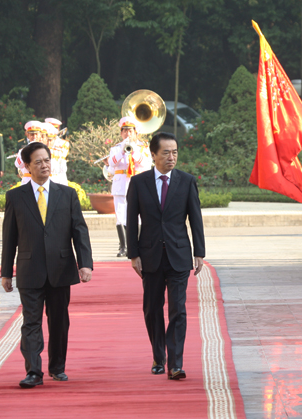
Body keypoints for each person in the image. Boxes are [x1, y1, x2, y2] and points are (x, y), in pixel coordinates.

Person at [1, 141, 93, 389]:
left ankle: (57, 367)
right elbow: (9, 238)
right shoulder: (15, 197)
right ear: (27, 166)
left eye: (47, 160)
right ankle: (33, 371)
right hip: (30, 269)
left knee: (59, 320)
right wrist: (5, 272)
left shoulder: (67, 194)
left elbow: (79, 231)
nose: (44, 165)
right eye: (38, 162)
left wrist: (85, 264)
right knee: (31, 321)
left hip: (61, 268)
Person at [126, 132, 205, 380]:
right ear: (153, 155)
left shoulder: (186, 181)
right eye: (166, 153)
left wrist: (199, 252)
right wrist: (133, 254)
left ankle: (175, 363)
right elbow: (131, 221)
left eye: (175, 153)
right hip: (149, 256)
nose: (171, 157)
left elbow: (195, 219)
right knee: (152, 309)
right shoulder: (139, 183)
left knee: (178, 310)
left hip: (179, 254)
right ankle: (158, 355)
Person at [108, 116, 152, 257]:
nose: (127, 134)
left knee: (138, 216)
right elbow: (112, 163)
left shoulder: (143, 147)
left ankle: (137, 246)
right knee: (120, 216)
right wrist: (122, 151)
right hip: (120, 185)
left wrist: (133, 151)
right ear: (121, 133)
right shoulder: (115, 148)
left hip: (137, 185)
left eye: (130, 131)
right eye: (125, 131)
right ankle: (123, 247)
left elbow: (145, 164)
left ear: (135, 132)